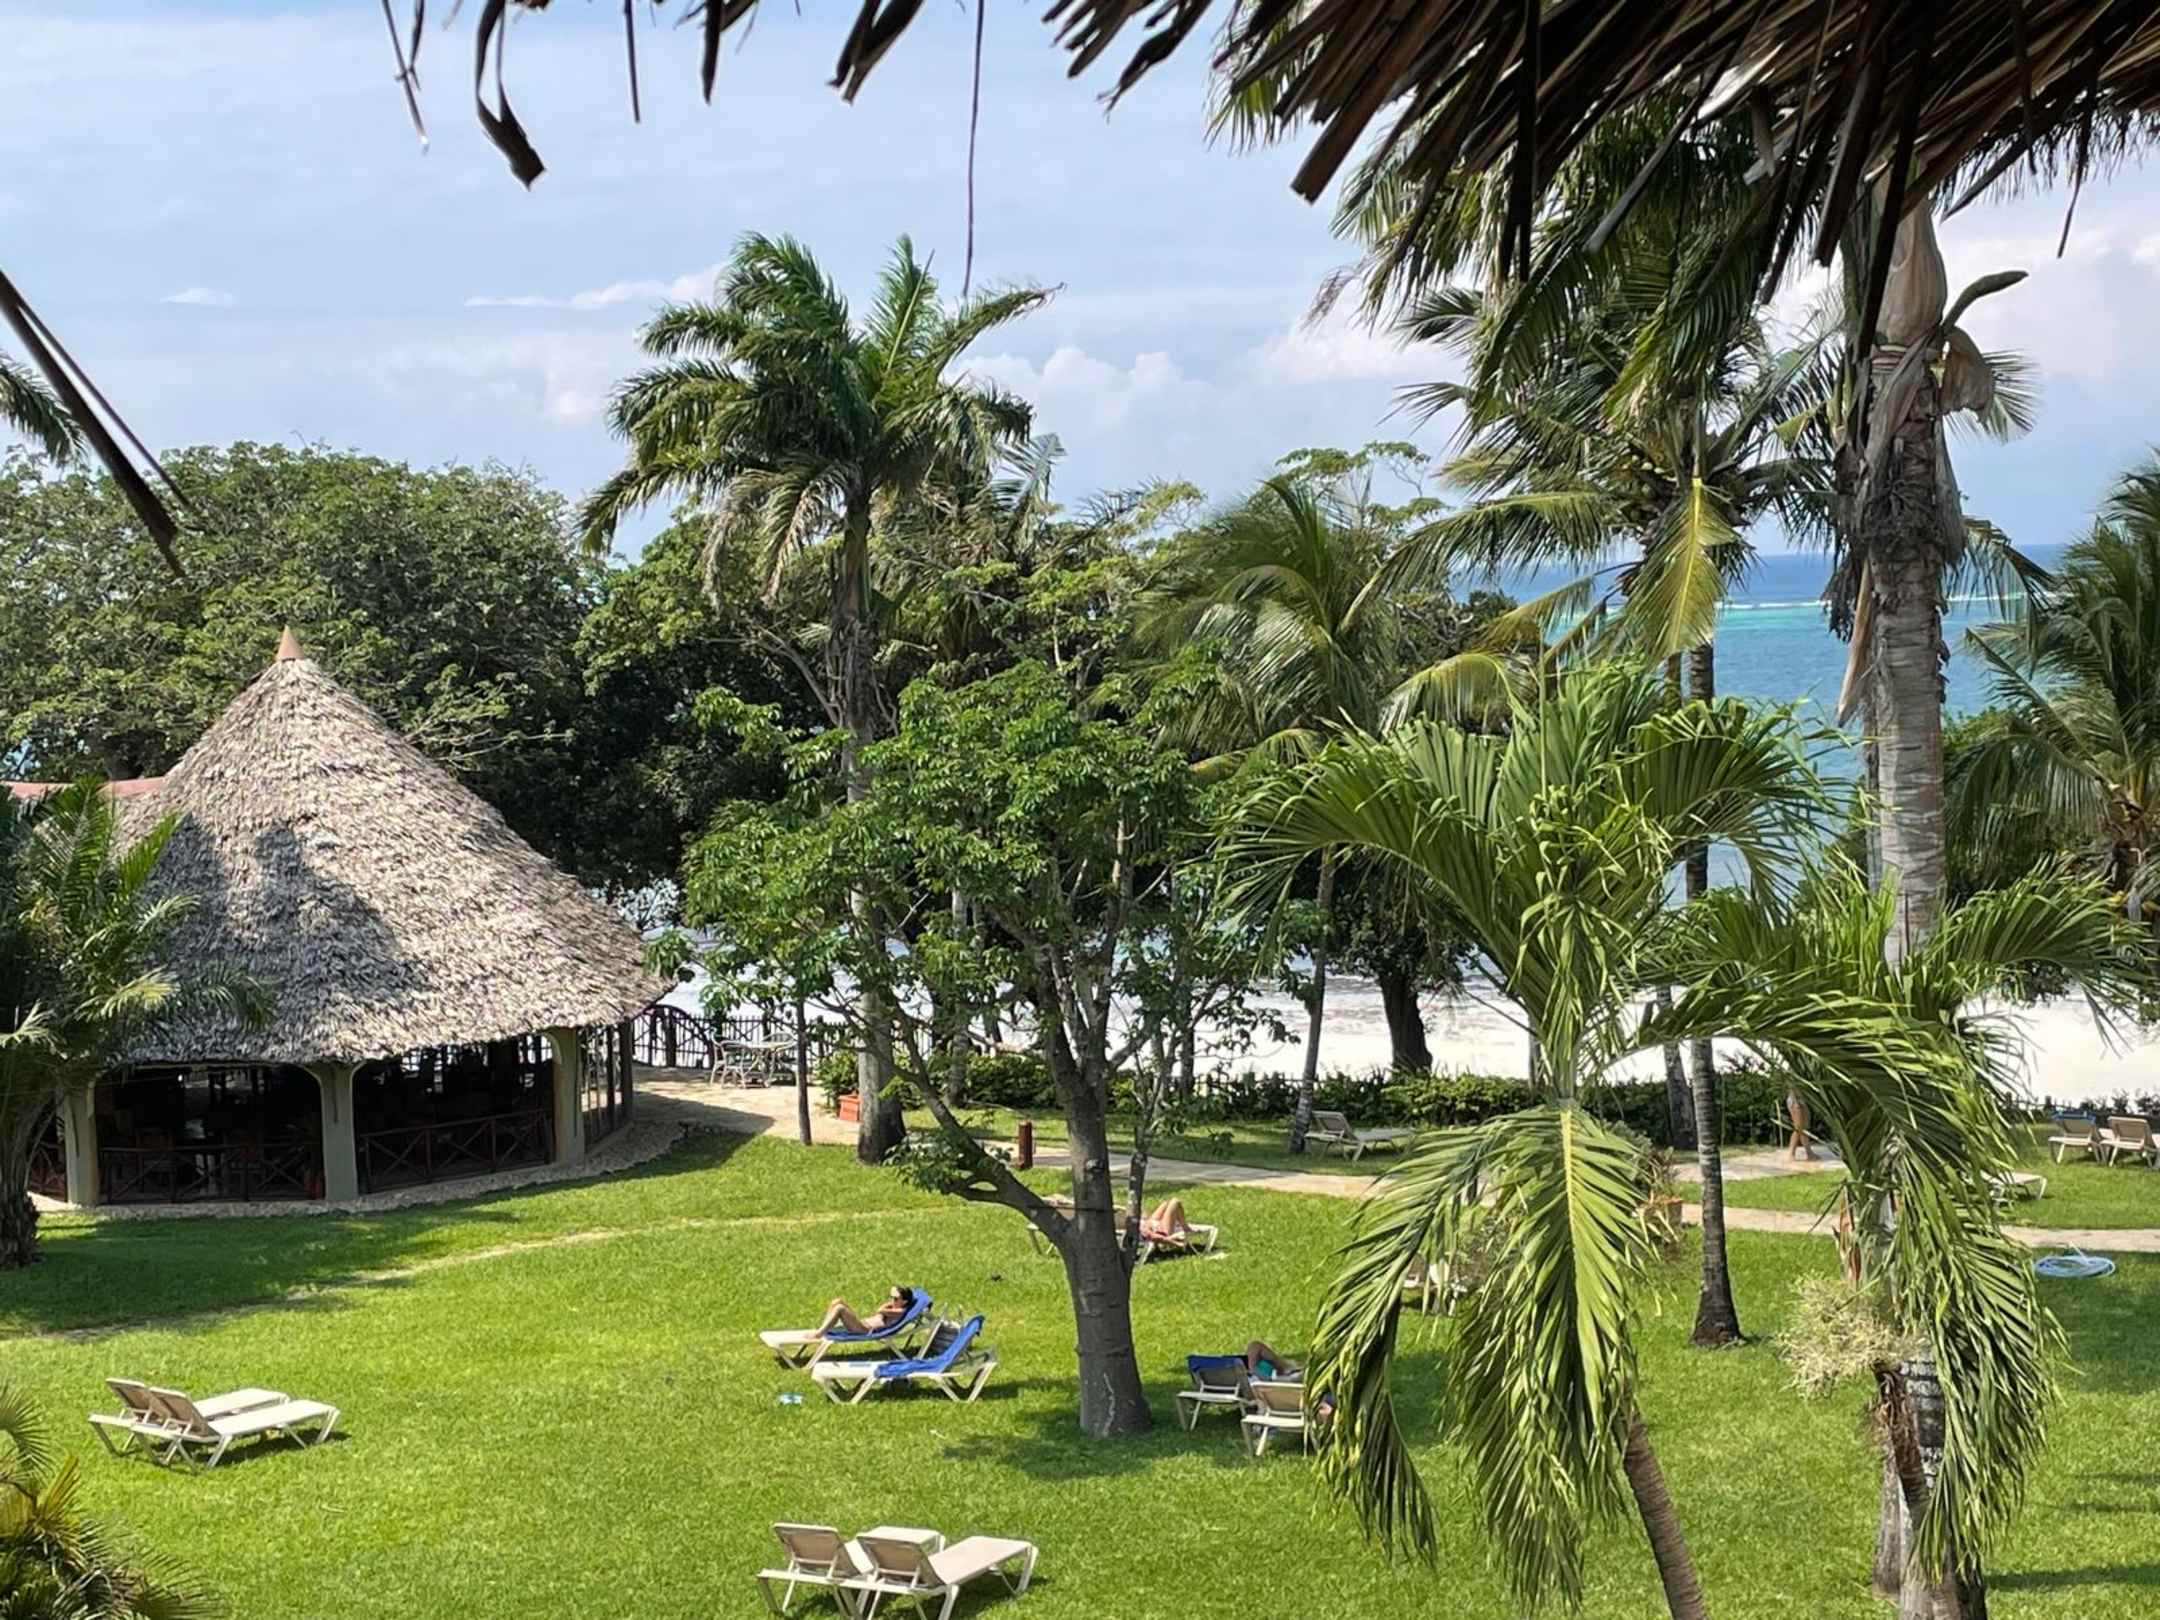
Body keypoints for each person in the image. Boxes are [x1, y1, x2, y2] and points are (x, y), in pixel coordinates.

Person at [818, 1284, 916, 1337]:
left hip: (863, 1330)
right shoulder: (894, 1308)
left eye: (895, 1298)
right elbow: (879, 1312)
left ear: (904, 1301)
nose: (891, 1300)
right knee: (837, 1301)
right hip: (861, 1323)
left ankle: (819, 1334)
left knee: (840, 1308)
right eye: (891, 1297)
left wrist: (885, 1309)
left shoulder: (900, 1312)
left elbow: (880, 1310)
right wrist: (889, 1306)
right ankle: (823, 1329)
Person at [1785, 1090, 1815, 1161]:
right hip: (1796, 1101)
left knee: (1803, 1129)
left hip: (1800, 1101)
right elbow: (1791, 1087)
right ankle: (1791, 1154)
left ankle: (1809, 1153)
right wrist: (1796, 1103)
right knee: (1798, 1128)